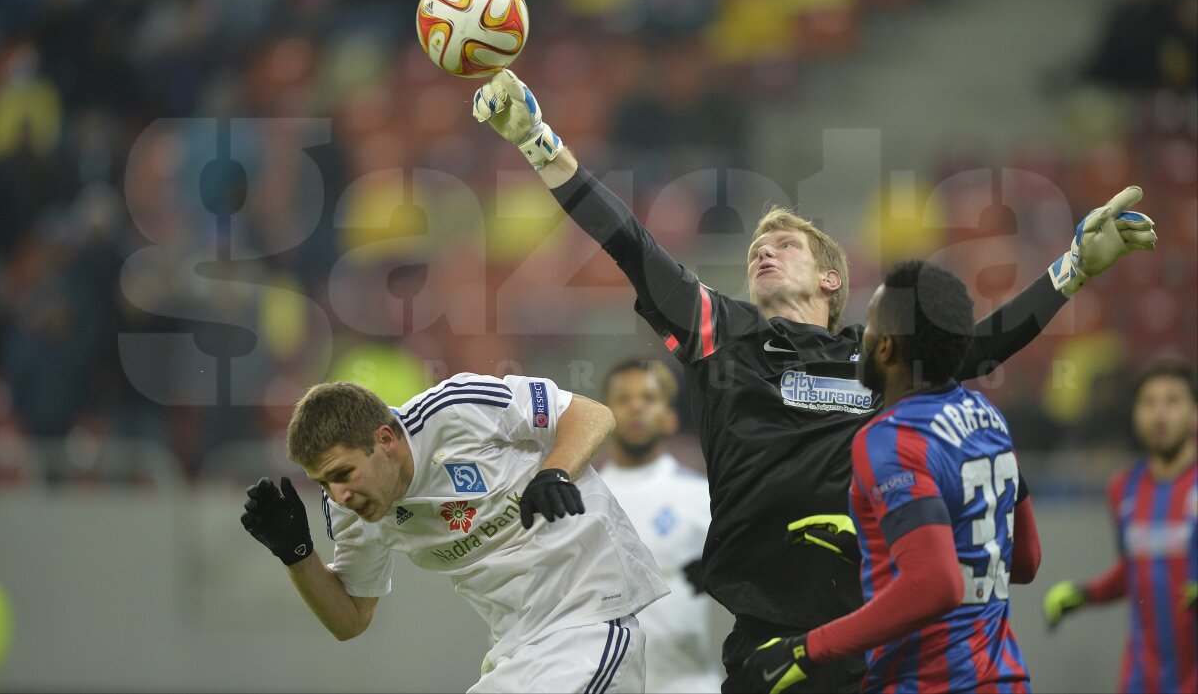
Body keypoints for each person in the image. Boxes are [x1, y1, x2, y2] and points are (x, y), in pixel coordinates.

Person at [470, 69, 1157, 692]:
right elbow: (629, 243)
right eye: (755, 249)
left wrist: (1072, 269)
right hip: (769, 640)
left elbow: (976, 348)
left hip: (877, 633)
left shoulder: (879, 358)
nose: (763, 252)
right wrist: (538, 141)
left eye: (784, 245)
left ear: (831, 278)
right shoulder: (724, 334)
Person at [240, 373, 669, 693]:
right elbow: (351, 618)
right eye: (322, 484)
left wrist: (553, 472)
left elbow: (591, 414)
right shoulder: (349, 510)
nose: (339, 494)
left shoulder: (456, 409)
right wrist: (297, 555)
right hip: (516, 652)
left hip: (590, 624)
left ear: (385, 440)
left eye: (343, 474)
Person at [741, 260, 1041, 693]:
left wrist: (804, 650)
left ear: (884, 348)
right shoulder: (987, 417)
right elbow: (1025, 559)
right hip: (1004, 679)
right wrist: (877, 544)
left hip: (930, 684)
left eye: (871, 325)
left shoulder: (888, 437)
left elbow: (935, 584)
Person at [1043, 358, 1197, 694]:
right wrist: (1085, 594)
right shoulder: (1123, 490)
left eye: (1172, 401)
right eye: (1149, 403)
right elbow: (1136, 569)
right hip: (1140, 679)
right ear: (1135, 414)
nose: (1159, 414)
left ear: (1194, 414)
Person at [599, 359, 723, 693]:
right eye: (623, 399)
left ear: (671, 417)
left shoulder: (702, 497)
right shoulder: (584, 502)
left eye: (649, 398)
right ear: (604, 416)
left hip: (688, 684)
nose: (636, 407)